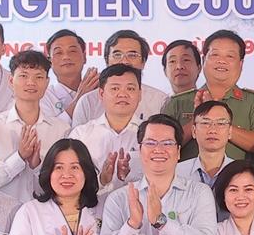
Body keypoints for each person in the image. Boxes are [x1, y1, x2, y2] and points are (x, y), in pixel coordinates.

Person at [164, 30, 254, 161]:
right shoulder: (177, 102)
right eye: (215, 55)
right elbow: (163, 144)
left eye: (230, 56)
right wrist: (198, 119)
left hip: (239, 174)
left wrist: (219, 122)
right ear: (203, 60)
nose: (221, 61)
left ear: (241, 64)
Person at [0, 49, 70, 201]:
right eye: (24, 76)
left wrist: (37, 167)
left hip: (46, 211)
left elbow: (65, 182)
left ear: (47, 83)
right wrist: (18, 157)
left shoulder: (61, 130)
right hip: (3, 212)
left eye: (38, 77)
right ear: (11, 81)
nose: (31, 83)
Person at [68, 64, 145, 195]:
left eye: (130, 89)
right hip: (91, 206)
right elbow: (70, 179)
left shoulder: (151, 135)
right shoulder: (81, 135)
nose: (123, 94)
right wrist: (101, 180)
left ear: (140, 94)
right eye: (115, 88)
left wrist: (130, 177)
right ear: (101, 94)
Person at [73, 30, 170, 124]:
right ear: (107, 61)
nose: (124, 61)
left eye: (132, 55)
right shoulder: (88, 101)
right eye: (117, 55)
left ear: (143, 62)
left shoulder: (160, 100)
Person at [177, 100, 235, 190]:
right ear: (194, 131)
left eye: (220, 123)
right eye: (205, 123)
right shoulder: (177, 172)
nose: (212, 130)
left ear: (230, 132)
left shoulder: (241, 173)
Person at [41, 28, 95, 120]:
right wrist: (80, 98)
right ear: (50, 61)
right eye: (58, 52)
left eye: (72, 51)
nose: (66, 57)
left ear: (84, 57)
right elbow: (49, 128)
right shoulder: (42, 96)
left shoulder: (98, 93)